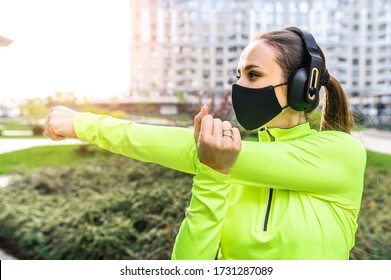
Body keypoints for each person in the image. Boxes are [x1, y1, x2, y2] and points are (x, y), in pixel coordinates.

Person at [44, 27, 366, 260]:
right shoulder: (229, 172)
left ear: (302, 87)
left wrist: (81, 124)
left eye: (253, 75)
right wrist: (213, 176)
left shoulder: (342, 154)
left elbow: (187, 147)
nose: (238, 86)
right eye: (238, 74)